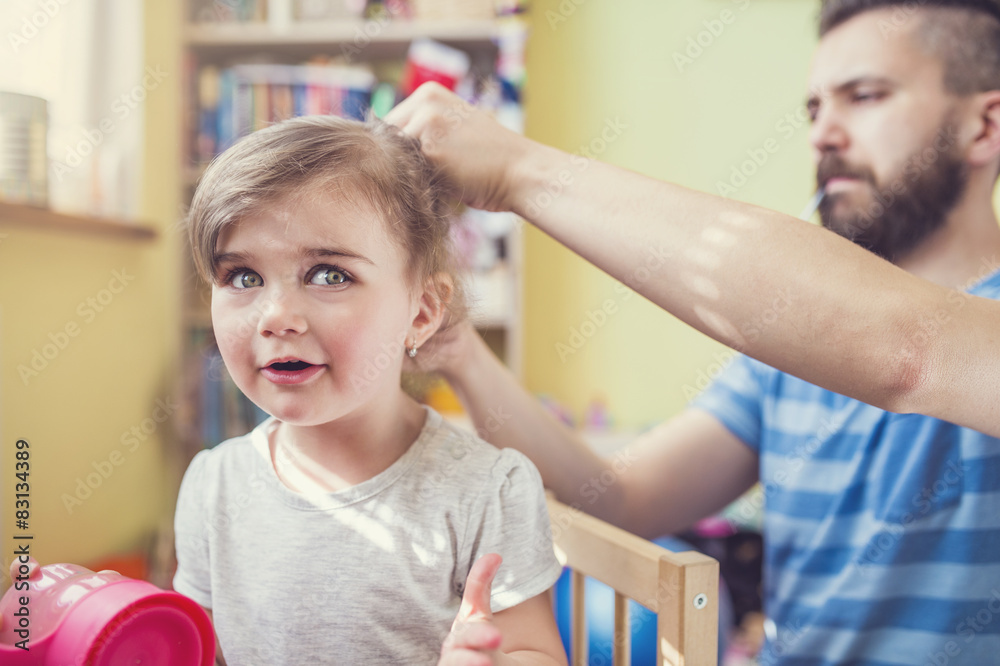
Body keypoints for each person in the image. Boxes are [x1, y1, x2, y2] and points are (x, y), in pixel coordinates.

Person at [387, 1, 1000, 663]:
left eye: (866, 96)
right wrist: (461, 354)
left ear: (986, 126)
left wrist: (518, 169)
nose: (823, 134)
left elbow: (907, 349)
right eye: (814, 108)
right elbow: (618, 501)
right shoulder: (784, 360)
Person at [172, 115, 567, 666]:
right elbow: (196, 649)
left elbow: (535, 652)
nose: (275, 316)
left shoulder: (488, 491)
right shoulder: (212, 485)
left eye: (328, 275)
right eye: (243, 277)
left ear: (421, 312)